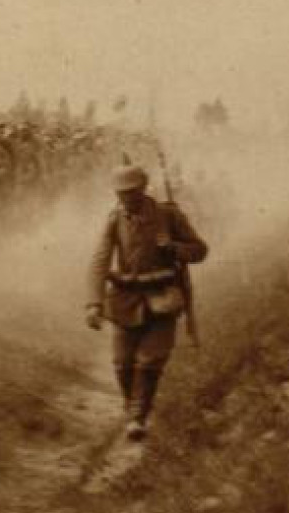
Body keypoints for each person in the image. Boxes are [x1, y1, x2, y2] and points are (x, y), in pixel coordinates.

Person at [86, 164, 208, 442]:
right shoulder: (114, 219)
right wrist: (93, 303)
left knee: (150, 361)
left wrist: (174, 248)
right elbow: (99, 260)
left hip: (162, 298)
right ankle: (134, 410)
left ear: (142, 189)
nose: (125, 199)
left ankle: (138, 417)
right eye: (120, 193)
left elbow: (200, 250)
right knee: (121, 363)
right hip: (125, 300)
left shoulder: (168, 215)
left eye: (130, 192)